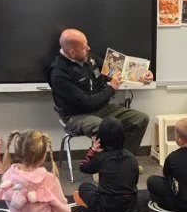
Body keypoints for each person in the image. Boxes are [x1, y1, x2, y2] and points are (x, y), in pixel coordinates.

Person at [49, 28, 153, 163]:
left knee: (140, 119)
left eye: (87, 44)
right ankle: (105, 167)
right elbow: (87, 103)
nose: (88, 48)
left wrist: (143, 75)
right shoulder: (58, 74)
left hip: (101, 108)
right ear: (72, 52)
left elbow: (118, 69)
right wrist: (111, 88)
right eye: (84, 47)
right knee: (105, 128)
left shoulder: (89, 58)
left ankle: (123, 163)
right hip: (76, 116)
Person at [0, 129, 84, 212]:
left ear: (17, 152)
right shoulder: (49, 179)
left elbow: (10, 206)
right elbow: (61, 211)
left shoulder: (7, 177)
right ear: (43, 156)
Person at [73, 117, 139, 212]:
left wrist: (93, 150)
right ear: (123, 135)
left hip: (107, 209)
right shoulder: (132, 157)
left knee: (84, 187)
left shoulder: (101, 157)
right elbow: (134, 182)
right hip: (130, 209)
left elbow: (83, 167)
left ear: (100, 138)